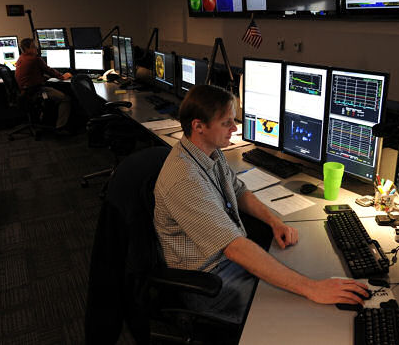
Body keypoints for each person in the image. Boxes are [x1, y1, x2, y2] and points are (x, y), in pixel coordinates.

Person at [154, 84, 368, 324]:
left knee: (300, 280)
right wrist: (312, 288)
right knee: (305, 309)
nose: (235, 128)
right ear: (198, 126)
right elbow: (234, 247)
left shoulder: (209, 151)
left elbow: (238, 190)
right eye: (226, 123)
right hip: (210, 283)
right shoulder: (184, 179)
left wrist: (273, 221)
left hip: (230, 261)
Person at [15, 38, 72, 131]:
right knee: (65, 98)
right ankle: (61, 127)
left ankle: (46, 119)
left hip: (25, 92)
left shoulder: (21, 58)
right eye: (33, 46)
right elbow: (50, 71)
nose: (36, 48)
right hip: (35, 91)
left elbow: (31, 75)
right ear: (26, 48)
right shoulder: (35, 59)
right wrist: (63, 77)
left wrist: (45, 78)